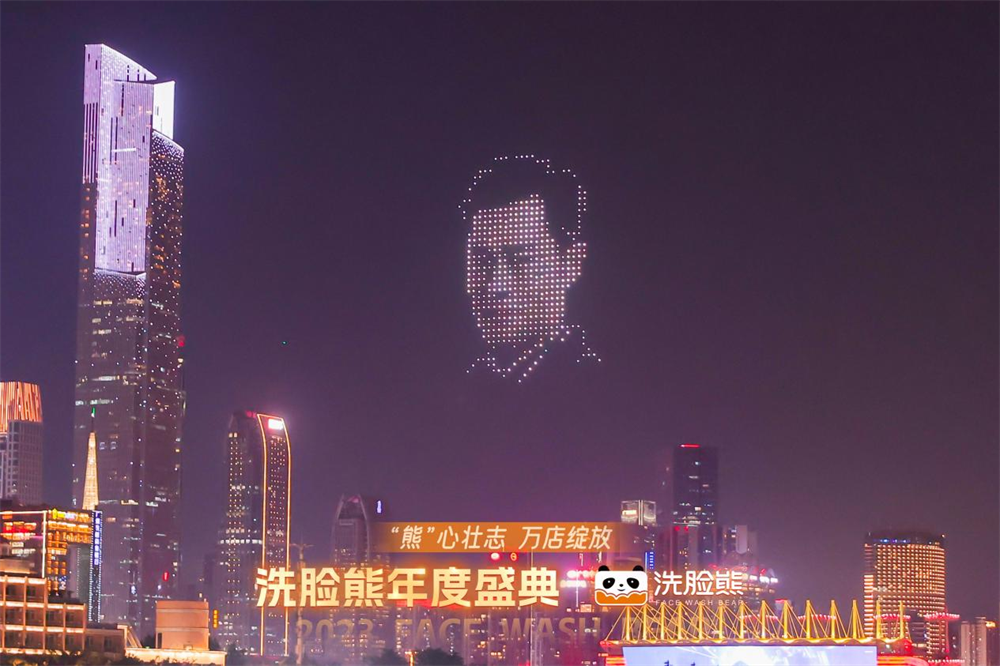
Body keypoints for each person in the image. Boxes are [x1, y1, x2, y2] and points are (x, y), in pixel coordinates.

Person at [463, 155, 600, 381]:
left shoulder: (589, 382)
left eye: (521, 260)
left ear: (571, 264)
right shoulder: (467, 382)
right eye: (483, 262)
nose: (497, 286)